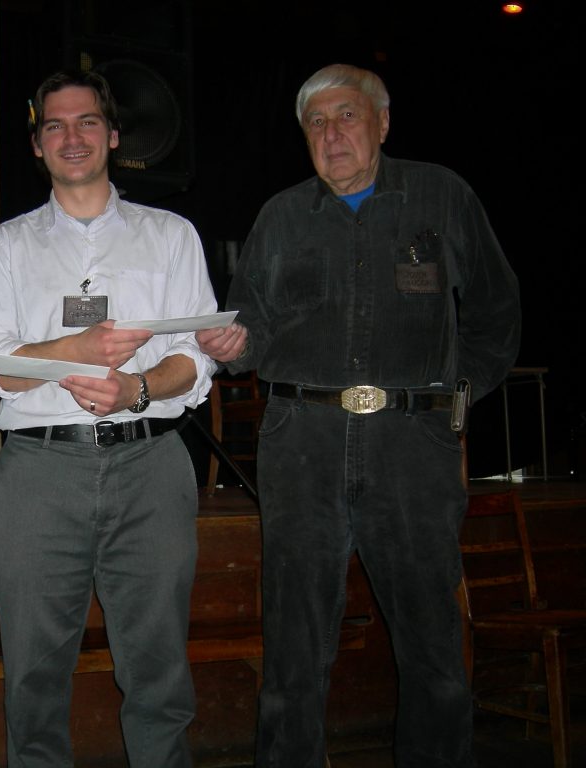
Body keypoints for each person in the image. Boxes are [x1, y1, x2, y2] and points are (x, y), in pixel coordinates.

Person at [197, 63, 520, 767]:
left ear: (382, 122)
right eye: (316, 122)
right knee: (292, 652)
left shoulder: (442, 196)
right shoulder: (281, 216)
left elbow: (497, 313)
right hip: (301, 449)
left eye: (347, 116)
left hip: (412, 448)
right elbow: (251, 326)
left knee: (434, 651)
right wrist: (234, 344)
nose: (331, 133)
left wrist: (452, 400)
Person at [0, 69, 220, 767]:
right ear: (37, 144)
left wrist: (136, 389)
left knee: (158, 671)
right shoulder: (6, 246)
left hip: (151, 466)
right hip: (38, 473)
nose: (72, 136)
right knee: (32, 675)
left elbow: (193, 361)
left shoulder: (171, 236)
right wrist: (75, 351)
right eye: (54, 125)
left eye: (87, 122)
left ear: (113, 136)